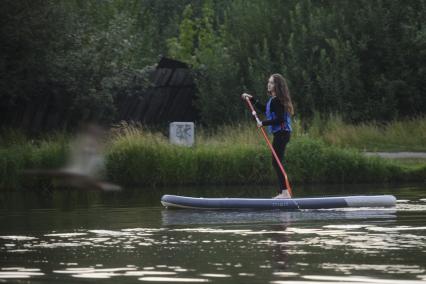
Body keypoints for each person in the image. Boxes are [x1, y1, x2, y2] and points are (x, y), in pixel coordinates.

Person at [241, 74, 294, 199]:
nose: (268, 84)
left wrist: (263, 123)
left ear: (277, 86)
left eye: (271, 82)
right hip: (281, 134)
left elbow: (280, 119)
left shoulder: (277, 100)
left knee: (276, 162)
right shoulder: (273, 100)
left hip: (282, 133)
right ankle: (284, 192)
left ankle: (284, 193)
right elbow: (266, 110)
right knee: (276, 162)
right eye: (269, 82)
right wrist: (252, 99)